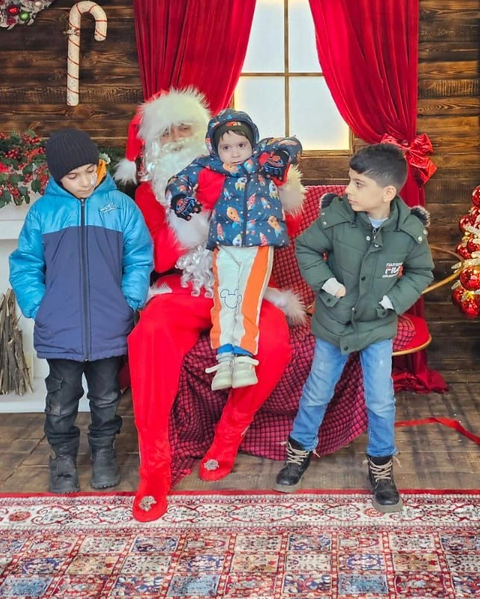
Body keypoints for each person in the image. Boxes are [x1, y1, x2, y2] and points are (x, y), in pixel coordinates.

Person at [116, 89, 304, 522]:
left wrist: (275, 191)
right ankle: (154, 466)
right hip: (183, 288)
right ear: (152, 147)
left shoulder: (246, 176)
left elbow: (287, 227)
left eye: (185, 128)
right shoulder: (147, 196)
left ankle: (228, 436)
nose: (177, 138)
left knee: (274, 344)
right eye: (166, 133)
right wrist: (194, 219)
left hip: (246, 287)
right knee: (148, 337)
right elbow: (156, 259)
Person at [275, 143, 434, 513]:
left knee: (380, 399)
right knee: (317, 391)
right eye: (350, 180)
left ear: (388, 192)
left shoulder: (408, 231)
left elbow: (421, 271)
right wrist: (328, 284)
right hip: (333, 322)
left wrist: (391, 302)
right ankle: (299, 451)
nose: (348, 189)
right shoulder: (337, 216)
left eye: (358, 184)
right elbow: (306, 248)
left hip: (377, 325)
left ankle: (381, 466)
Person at [9, 128, 153, 494]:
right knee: (61, 400)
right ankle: (62, 458)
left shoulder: (121, 207)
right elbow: (25, 264)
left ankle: (104, 453)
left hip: (109, 324)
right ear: (58, 177)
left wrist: (129, 300)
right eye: (74, 176)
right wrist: (40, 306)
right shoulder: (43, 213)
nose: (86, 181)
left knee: (106, 398)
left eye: (91, 170)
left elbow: (139, 257)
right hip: (60, 328)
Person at [166, 110, 301, 391]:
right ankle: (224, 356)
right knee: (225, 299)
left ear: (252, 143)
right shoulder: (208, 165)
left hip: (259, 244)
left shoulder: (262, 158)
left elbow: (291, 143)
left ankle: (244, 358)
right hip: (225, 244)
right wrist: (180, 198)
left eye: (241, 145)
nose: (235, 152)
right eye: (226, 147)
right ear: (215, 149)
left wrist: (281, 157)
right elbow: (178, 181)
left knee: (247, 299)